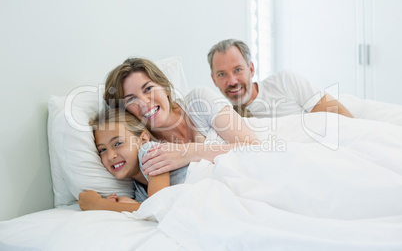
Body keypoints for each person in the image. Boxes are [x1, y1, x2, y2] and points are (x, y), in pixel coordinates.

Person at [103, 57, 259, 177]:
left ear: (165, 88)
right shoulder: (146, 146)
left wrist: (187, 153)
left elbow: (252, 146)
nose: (144, 102)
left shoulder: (199, 101)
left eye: (148, 89)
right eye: (131, 99)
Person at [208, 39, 353, 118]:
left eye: (238, 70)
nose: (232, 81)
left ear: (251, 69)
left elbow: (339, 116)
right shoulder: (224, 117)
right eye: (222, 74)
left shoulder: (284, 82)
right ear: (214, 80)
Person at [78, 109, 189, 212]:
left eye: (118, 143)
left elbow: (157, 208)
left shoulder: (150, 151)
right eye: (102, 150)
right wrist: (131, 204)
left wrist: (99, 204)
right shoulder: (139, 190)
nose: (110, 156)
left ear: (143, 140)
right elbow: (150, 210)